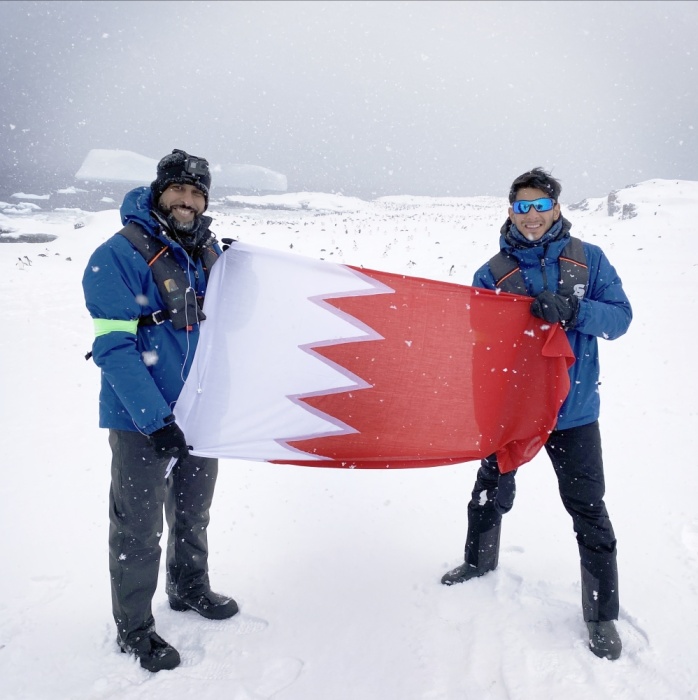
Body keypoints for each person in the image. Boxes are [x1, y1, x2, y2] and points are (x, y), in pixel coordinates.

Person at [441, 168, 632, 661]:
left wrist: (573, 311)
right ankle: (478, 563)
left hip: (573, 411)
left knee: (588, 509)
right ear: (510, 212)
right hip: (512, 409)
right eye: (522, 208)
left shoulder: (589, 261)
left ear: (556, 208)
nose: (532, 216)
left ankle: (601, 613)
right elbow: (477, 338)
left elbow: (620, 318)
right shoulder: (494, 272)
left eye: (540, 206)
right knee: (488, 492)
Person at [82, 149, 238, 673]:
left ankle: (189, 586)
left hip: (199, 413)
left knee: (194, 511)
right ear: (158, 192)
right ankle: (134, 627)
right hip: (140, 419)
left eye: (198, 193)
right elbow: (114, 349)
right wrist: (156, 420)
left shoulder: (207, 252)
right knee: (138, 528)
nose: (188, 201)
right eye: (179, 191)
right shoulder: (118, 254)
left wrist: (239, 272)